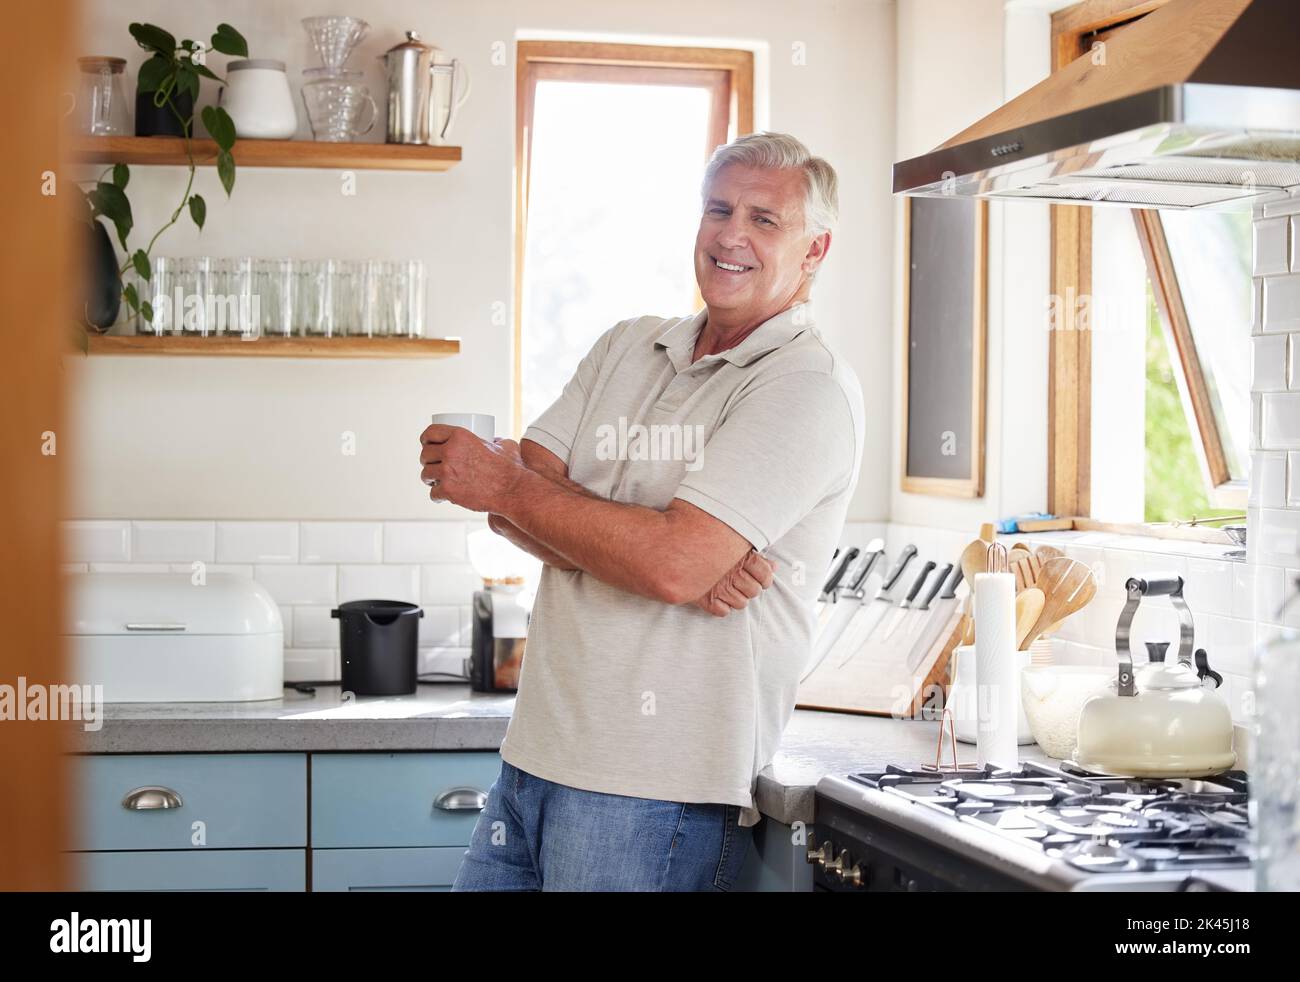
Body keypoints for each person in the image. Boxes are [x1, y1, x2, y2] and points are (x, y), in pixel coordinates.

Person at [420, 132, 864, 891]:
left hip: (654, 790)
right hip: (532, 759)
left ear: (815, 248)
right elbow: (521, 513)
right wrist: (660, 551)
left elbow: (658, 558)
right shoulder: (630, 345)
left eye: (765, 219)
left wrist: (663, 554)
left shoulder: (805, 387)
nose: (731, 234)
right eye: (718, 209)